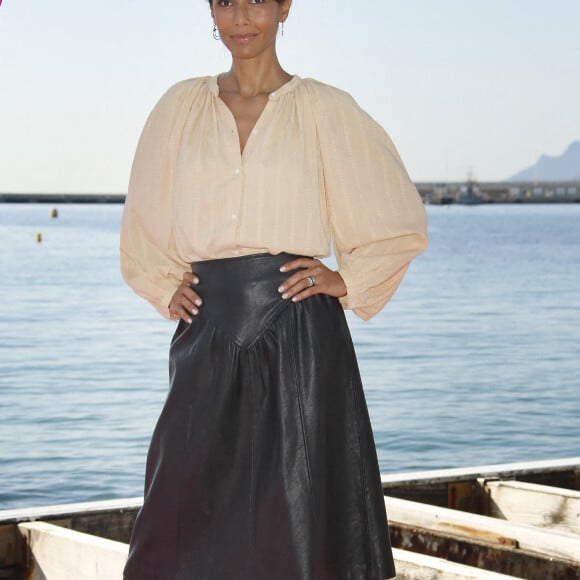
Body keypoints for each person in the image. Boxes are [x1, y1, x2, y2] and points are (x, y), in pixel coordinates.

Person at [120, 1, 427, 578]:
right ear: (210, 8)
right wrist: (163, 284)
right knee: (178, 514)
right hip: (207, 332)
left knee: (301, 518)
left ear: (285, 6)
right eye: (226, 0)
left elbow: (398, 218)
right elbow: (143, 217)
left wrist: (347, 278)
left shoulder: (325, 110)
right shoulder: (180, 107)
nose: (241, 17)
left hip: (301, 338)